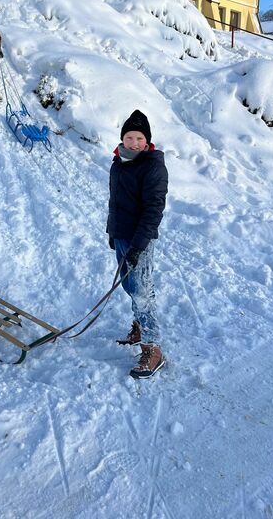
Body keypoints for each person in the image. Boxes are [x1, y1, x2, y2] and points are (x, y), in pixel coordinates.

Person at [107, 109, 168, 379]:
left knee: (142, 292)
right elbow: (115, 202)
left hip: (139, 240)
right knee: (131, 287)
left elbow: (153, 211)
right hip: (122, 235)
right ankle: (140, 327)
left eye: (139, 138)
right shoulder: (118, 162)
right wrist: (113, 232)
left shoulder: (153, 166)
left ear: (147, 141)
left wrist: (138, 246)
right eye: (129, 137)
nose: (134, 143)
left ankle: (153, 349)